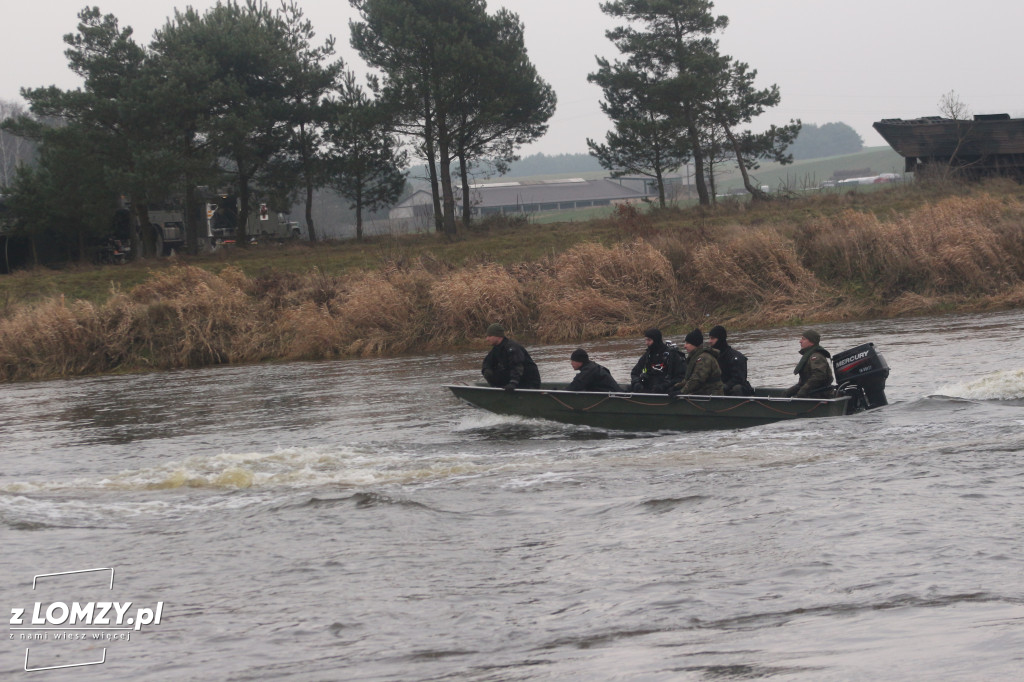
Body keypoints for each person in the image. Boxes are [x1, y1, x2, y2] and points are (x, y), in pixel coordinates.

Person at [481, 323, 541, 391]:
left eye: (489, 336)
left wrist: (513, 383)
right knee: (489, 371)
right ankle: (496, 390)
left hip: (529, 382)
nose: (487, 339)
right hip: (516, 380)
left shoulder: (512, 347)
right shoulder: (496, 349)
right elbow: (487, 363)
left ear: (498, 336)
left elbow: (517, 366)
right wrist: (487, 371)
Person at [629, 328, 685, 393]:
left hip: (665, 391)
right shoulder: (648, 355)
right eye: (646, 340)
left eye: (649, 340)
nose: (646, 343)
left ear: (656, 340)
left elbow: (681, 377)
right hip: (648, 390)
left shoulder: (672, 355)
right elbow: (634, 372)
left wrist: (664, 386)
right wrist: (636, 383)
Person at [671, 329, 724, 395]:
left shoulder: (704, 358)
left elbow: (697, 379)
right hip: (701, 392)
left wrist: (682, 392)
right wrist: (676, 386)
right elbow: (689, 379)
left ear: (694, 344)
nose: (685, 346)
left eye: (687, 343)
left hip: (711, 395)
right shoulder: (695, 357)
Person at [784, 329, 834, 398]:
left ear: (811, 342)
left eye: (803, 339)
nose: (800, 341)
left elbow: (819, 376)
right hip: (811, 391)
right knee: (786, 393)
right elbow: (805, 379)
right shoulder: (810, 355)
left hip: (819, 394)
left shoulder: (816, 356)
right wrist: (796, 388)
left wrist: (804, 389)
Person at [708, 325, 754, 396]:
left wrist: (724, 387)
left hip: (736, 391)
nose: (710, 341)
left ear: (721, 339)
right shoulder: (712, 356)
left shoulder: (736, 357)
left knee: (737, 388)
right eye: (710, 338)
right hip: (719, 390)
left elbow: (739, 378)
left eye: (713, 338)